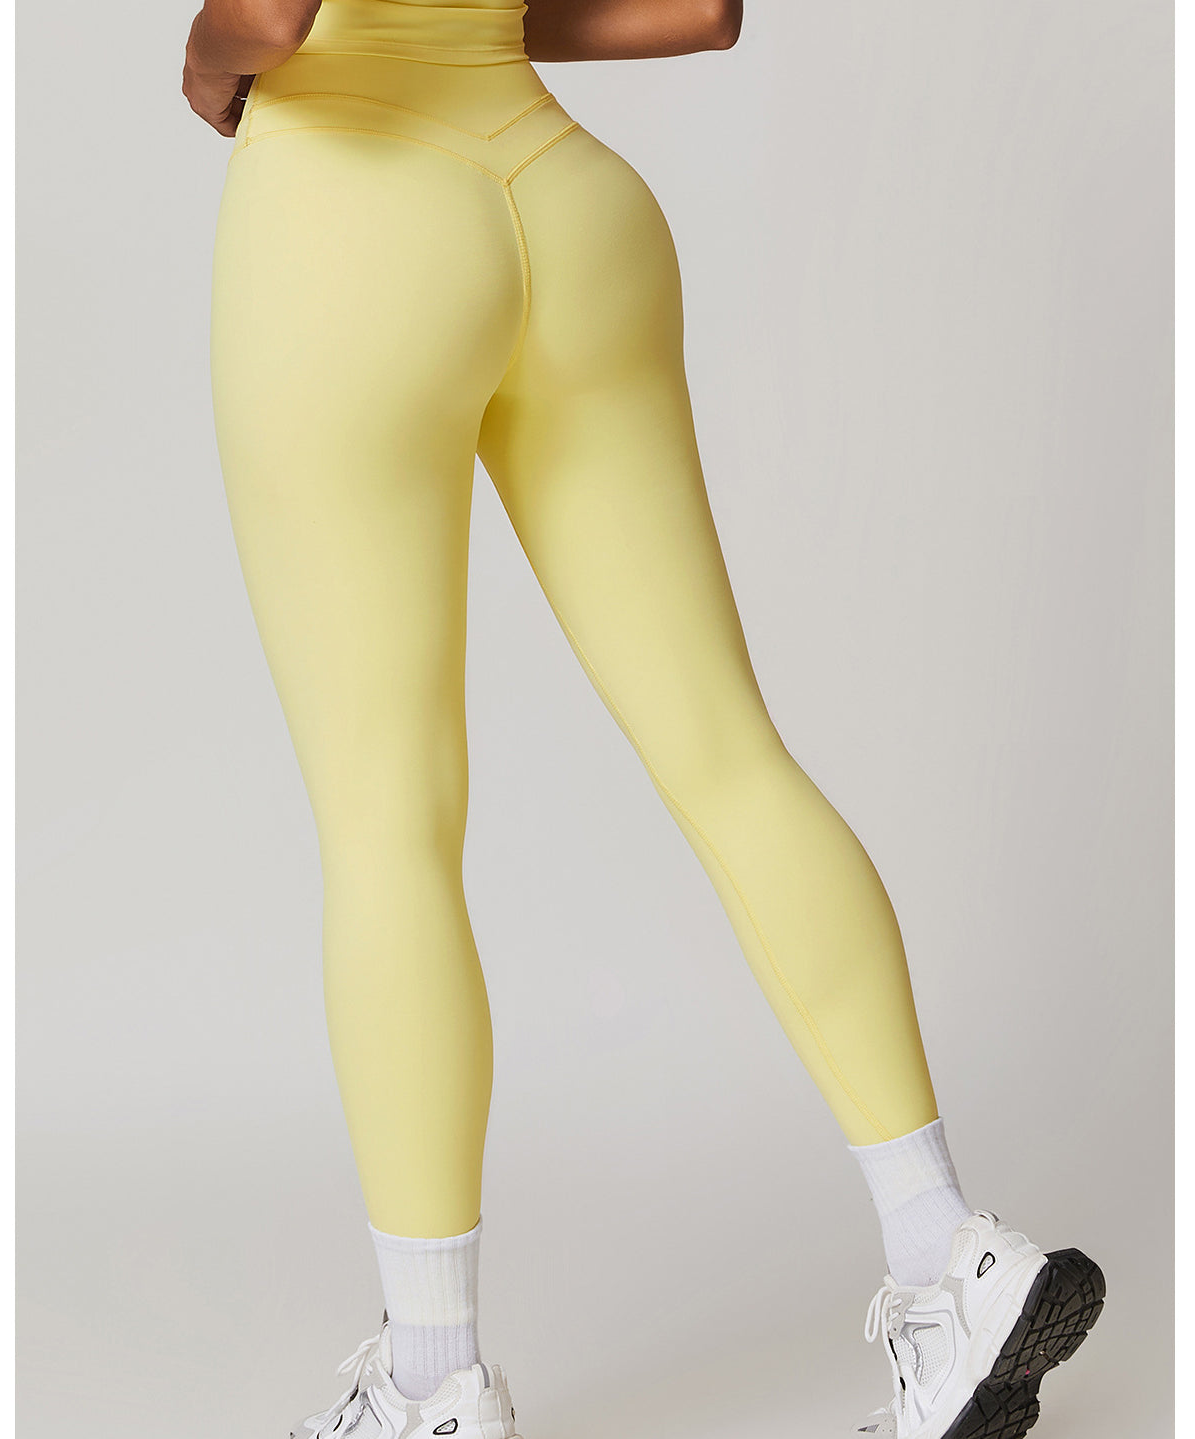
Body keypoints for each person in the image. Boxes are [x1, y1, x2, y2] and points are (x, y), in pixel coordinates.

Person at [182, 3, 1105, 1436]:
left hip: (352, 226)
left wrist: (209, 66)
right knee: (731, 757)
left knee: (388, 828)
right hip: (569, 208)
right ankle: (951, 1254)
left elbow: (264, 12)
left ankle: (431, 1383)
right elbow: (702, 8)